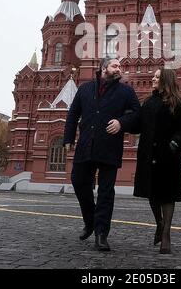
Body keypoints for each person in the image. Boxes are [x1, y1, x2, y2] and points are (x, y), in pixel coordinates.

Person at [63, 57, 140, 252]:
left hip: (109, 147)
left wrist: (122, 122)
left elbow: (137, 114)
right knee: (79, 182)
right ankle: (90, 221)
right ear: (104, 68)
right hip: (86, 144)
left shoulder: (126, 91)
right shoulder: (85, 89)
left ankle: (101, 234)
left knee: (106, 192)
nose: (119, 68)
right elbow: (73, 114)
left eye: (120, 66)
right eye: (115, 65)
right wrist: (68, 138)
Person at [133, 67, 181, 254]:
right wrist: (120, 121)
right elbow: (137, 125)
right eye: (153, 76)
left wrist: (173, 145)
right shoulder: (148, 102)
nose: (152, 78)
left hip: (168, 157)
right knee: (152, 193)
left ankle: (166, 233)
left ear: (166, 80)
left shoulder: (179, 103)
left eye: (157, 77)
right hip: (149, 156)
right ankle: (159, 223)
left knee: (167, 195)